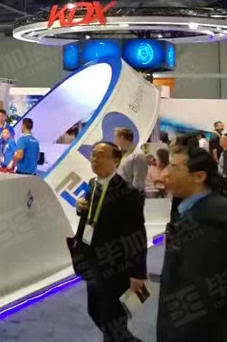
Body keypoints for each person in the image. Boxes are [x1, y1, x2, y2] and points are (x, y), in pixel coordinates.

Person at [74, 142, 146, 342]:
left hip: (115, 263)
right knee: (94, 309)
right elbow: (91, 216)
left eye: (100, 156)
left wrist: (138, 273)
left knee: (113, 316)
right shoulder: (93, 184)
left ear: (116, 161)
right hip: (92, 259)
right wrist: (80, 208)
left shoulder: (128, 193)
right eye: (93, 155)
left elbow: (137, 234)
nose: (94, 159)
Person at [157, 145, 227, 342]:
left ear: (199, 176)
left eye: (174, 167)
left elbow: (198, 291)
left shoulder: (211, 222)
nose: (165, 174)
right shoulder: (188, 210)